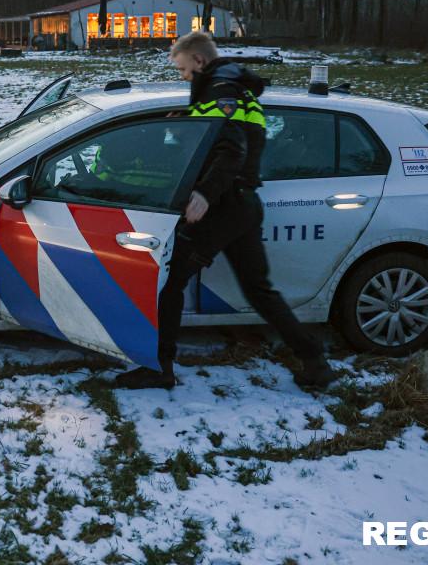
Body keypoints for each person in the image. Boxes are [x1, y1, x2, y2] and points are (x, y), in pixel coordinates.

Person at [115, 32, 335, 391]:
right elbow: (224, 135)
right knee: (259, 290)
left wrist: (203, 193)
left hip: (222, 206)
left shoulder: (219, 89)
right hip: (243, 205)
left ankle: (159, 367)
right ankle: (315, 361)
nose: (184, 77)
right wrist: (186, 123)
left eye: (184, 71)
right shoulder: (236, 89)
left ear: (199, 61)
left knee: (169, 285)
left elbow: (232, 149)